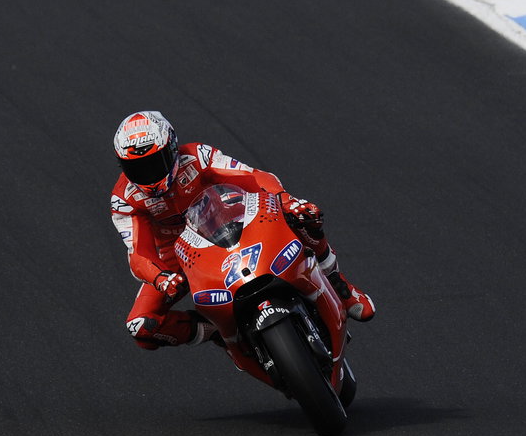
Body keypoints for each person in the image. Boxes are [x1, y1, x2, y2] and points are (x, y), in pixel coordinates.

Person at [109, 111, 375, 351]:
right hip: (177, 260)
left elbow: (254, 177)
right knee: (141, 326)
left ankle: (339, 284)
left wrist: (284, 199)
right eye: (137, 168)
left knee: (306, 215)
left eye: (155, 163)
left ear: (173, 148)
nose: (148, 175)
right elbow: (138, 253)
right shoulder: (124, 198)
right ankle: (216, 331)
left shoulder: (198, 156)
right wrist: (160, 278)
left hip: (228, 224)